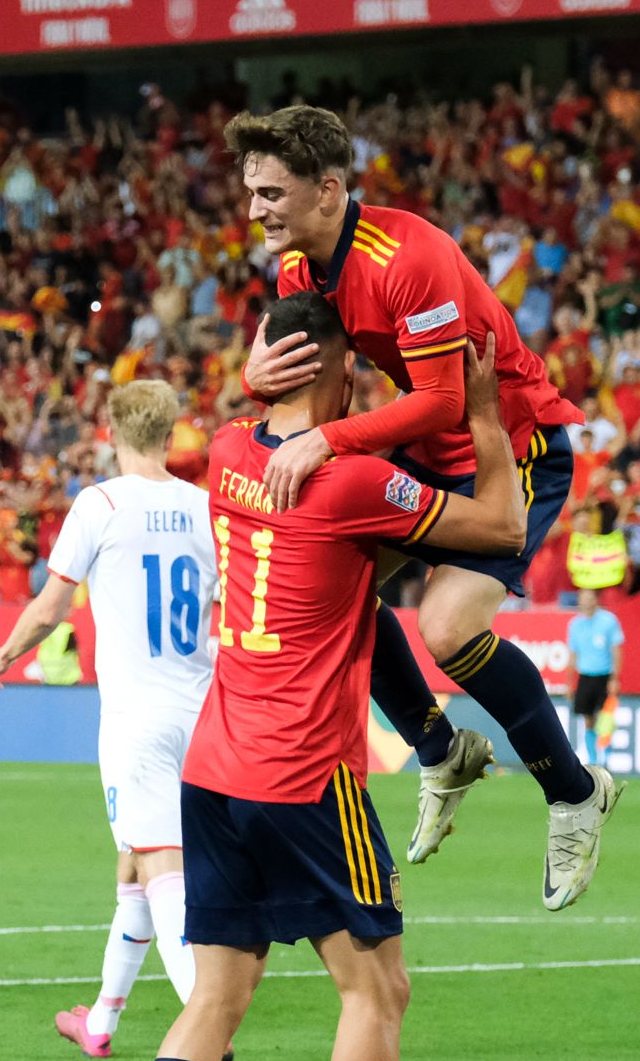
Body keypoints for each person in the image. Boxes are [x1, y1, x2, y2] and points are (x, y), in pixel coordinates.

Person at [113, 298, 527, 1061]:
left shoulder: (222, 450)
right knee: (375, 986)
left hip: (214, 769)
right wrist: (479, 413)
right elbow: (503, 525)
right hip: (308, 774)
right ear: (339, 365)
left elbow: (267, 440)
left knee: (216, 993)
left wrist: (268, 394)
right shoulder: (350, 478)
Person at [230, 105, 618, 913]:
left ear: (329, 190)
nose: (256, 209)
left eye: (271, 191)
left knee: (447, 630)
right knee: (327, 579)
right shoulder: (300, 271)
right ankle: (440, 748)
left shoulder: (411, 259)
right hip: (429, 441)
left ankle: (575, 792)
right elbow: (296, 381)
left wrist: (329, 441)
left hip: (510, 446)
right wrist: (254, 382)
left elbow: (445, 402)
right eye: (251, 191)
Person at [0, 380, 218, 1061]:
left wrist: (5, 650)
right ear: (171, 438)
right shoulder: (204, 508)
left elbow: (52, 607)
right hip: (201, 709)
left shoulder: (100, 504)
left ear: (111, 432)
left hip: (137, 719)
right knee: (135, 864)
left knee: (159, 859)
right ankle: (101, 1020)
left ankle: (207, 1019)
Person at [565, 587, 624, 764]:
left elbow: (616, 651)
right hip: (585, 676)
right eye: (583, 599)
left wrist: (615, 678)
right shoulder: (575, 625)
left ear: (596, 600)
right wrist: (570, 684)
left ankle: (605, 758)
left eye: (589, 599)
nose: (586, 603)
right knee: (588, 719)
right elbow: (573, 655)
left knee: (605, 718)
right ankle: (592, 758)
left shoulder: (609, 621)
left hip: (604, 675)